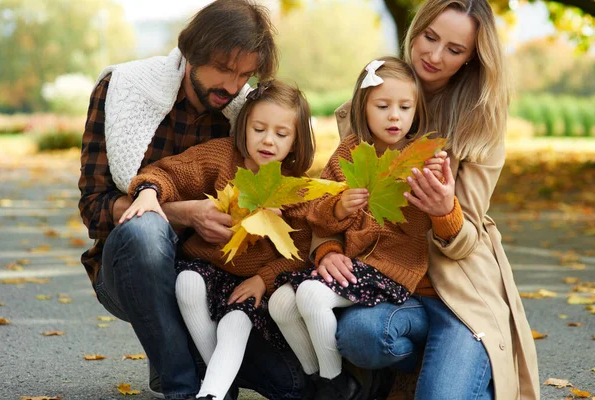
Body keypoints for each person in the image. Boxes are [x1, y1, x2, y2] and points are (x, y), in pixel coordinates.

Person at [78, 1, 305, 399]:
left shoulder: (248, 115)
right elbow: (95, 206)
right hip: (133, 270)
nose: (233, 86)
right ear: (193, 52)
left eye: (244, 74)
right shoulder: (123, 90)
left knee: (291, 383)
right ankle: (182, 386)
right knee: (146, 232)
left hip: (221, 279)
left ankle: (183, 362)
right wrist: (181, 214)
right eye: (223, 68)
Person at [315, 0, 541, 399]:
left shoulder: (480, 124)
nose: (434, 56)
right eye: (429, 37)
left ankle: (463, 362)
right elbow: (338, 197)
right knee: (360, 336)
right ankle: (421, 366)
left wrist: (445, 211)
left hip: (457, 292)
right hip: (390, 286)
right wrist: (327, 249)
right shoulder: (368, 103)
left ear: (471, 59)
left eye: (454, 50)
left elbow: (468, 237)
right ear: (415, 31)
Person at [269, 57, 459, 400]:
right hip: (355, 266)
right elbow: (319, 215)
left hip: (393, 273)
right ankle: (324, 384)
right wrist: (339, 208)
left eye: (405, 106)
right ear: (363, 107)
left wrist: (437, 191)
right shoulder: (349, 152)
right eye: (383, 105)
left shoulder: (421, 160)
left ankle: (339, 387)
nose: (395, 116)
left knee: (310, 295)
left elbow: (424, 226)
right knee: (281, 302)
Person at [120, 80, 316, 400]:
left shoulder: (296, 188)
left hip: (254, 284)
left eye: (281, 134)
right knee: (186, 282)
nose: (268, 140)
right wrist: (148, 190)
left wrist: (263, 279)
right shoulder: (223, 156)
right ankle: (221, 384)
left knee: (236, 320)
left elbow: (302, 252)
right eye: (259, 129)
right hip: (208, 269)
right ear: (244, 126)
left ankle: (210, 392)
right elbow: (173, 171)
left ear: (295, 142)